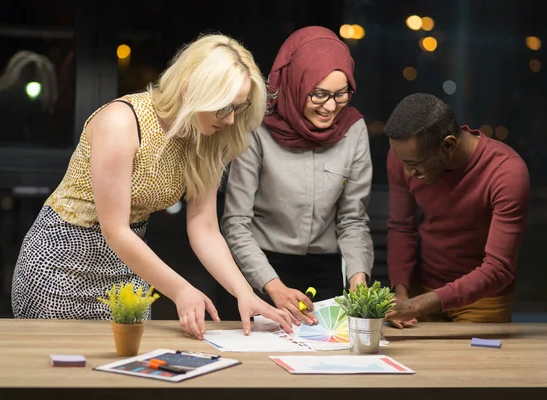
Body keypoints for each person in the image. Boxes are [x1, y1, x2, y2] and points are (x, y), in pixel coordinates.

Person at [11, 33, 293, 339]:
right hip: (60, 262)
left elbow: (204, 227)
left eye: (238, 109)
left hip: (127, 263)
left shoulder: (208, 138)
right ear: (190, 91)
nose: (230, 121)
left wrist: (244, 293)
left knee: (124, 370)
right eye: (224, 107)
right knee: (57, 376)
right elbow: (114, 228)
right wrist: (181, 290)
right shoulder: (122, 122)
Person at [221, 26, 374, 327]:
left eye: (341, 94)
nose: (331, 107)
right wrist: (272, 286)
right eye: (318, 94)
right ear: (295, 84)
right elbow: (236, 222)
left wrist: (358, 278)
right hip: (260, 271)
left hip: (325, 273)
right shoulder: (257, 128)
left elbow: (353, 219)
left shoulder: (353, 130)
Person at [383, 93, 530, 327]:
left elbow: (499, 268)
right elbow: (401, 228)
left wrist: (417, 305)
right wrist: (401, 292)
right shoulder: (404, 157)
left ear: (448, 144)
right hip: (421, 291)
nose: (407, 172)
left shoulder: (506, 172)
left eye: (414, 164)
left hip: (484, 301)